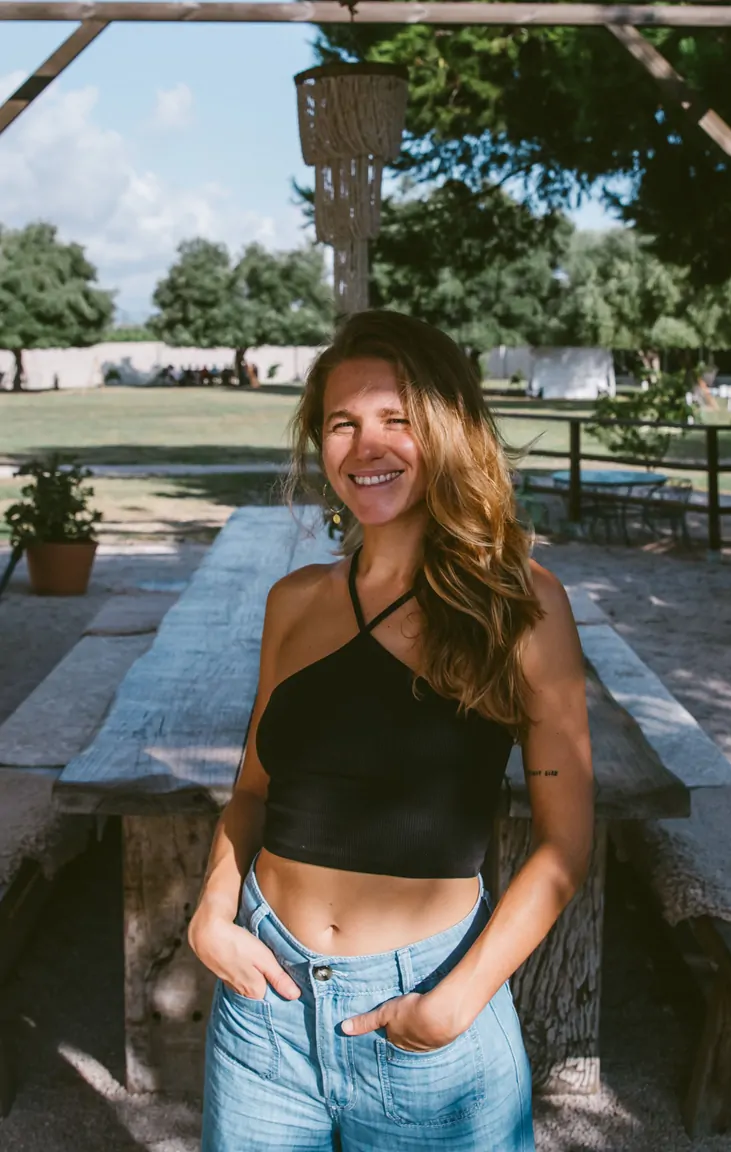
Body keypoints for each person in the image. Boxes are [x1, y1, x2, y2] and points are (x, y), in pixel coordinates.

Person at [189, 309, 594, 1150]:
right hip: (264, 1009)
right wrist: (210, 913)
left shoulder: (519, 604)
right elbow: (255, 791)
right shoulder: (293, 602)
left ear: (446, 431)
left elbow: (564, 845)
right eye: (343, 423)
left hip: (430, 1010)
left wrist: (454, 1003)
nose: (365, 445)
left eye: (396, 419)